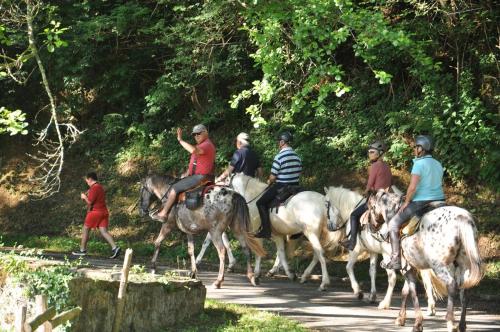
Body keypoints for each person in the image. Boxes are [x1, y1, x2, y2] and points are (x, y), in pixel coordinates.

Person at [381, 135, 445, 270]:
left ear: (421, 148)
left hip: (421, 202)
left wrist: (406, 202)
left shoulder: (419, 163)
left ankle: (395, 259)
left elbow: (413, 187)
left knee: (393, 224)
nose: (414, 149)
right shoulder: (438, 164)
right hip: (440, 201)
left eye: (416, 147)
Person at [155, 124, 216, 221]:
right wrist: (187, 173)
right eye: (194, 135)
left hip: (200, 177)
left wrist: (180, 140)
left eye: (198, 133)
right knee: (176, 183)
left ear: (206, 132)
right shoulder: (202, 145)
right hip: (196, 176)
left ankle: (163, 213)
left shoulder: (207, 145)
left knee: (174, 188)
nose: (196, 136)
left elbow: (193, 150)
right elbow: (196, 163)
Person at [340, 141, 392, 251]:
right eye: (369, 152)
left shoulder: (375, 166)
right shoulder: (387, 166)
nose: (369, 154)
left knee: (353, 215)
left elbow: (370, 184)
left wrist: (366, 191)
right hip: (388, 198)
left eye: (372, 152)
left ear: (379, 153)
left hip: (377, 199)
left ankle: (352, 243)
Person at [255, 131, 302, 239]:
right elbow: (299, 172)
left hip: (282, 186)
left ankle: (266, 230)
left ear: (282, 142)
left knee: (260, 203)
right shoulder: (297, 156)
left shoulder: (279, 157)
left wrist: (269, 182)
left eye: (278, 142)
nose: (278, 144)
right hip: (296, 187)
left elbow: (273, 177)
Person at [72, 172, 121, 259]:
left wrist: (84, 197)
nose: (86, 182)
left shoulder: (94, 188)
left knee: (85, 229)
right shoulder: (100, 187)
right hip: (104, 212)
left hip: (95, 212)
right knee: (104, 231)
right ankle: (115, 248)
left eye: (87, 180)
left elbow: (90, 203)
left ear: (90, 179)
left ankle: (82, 250)